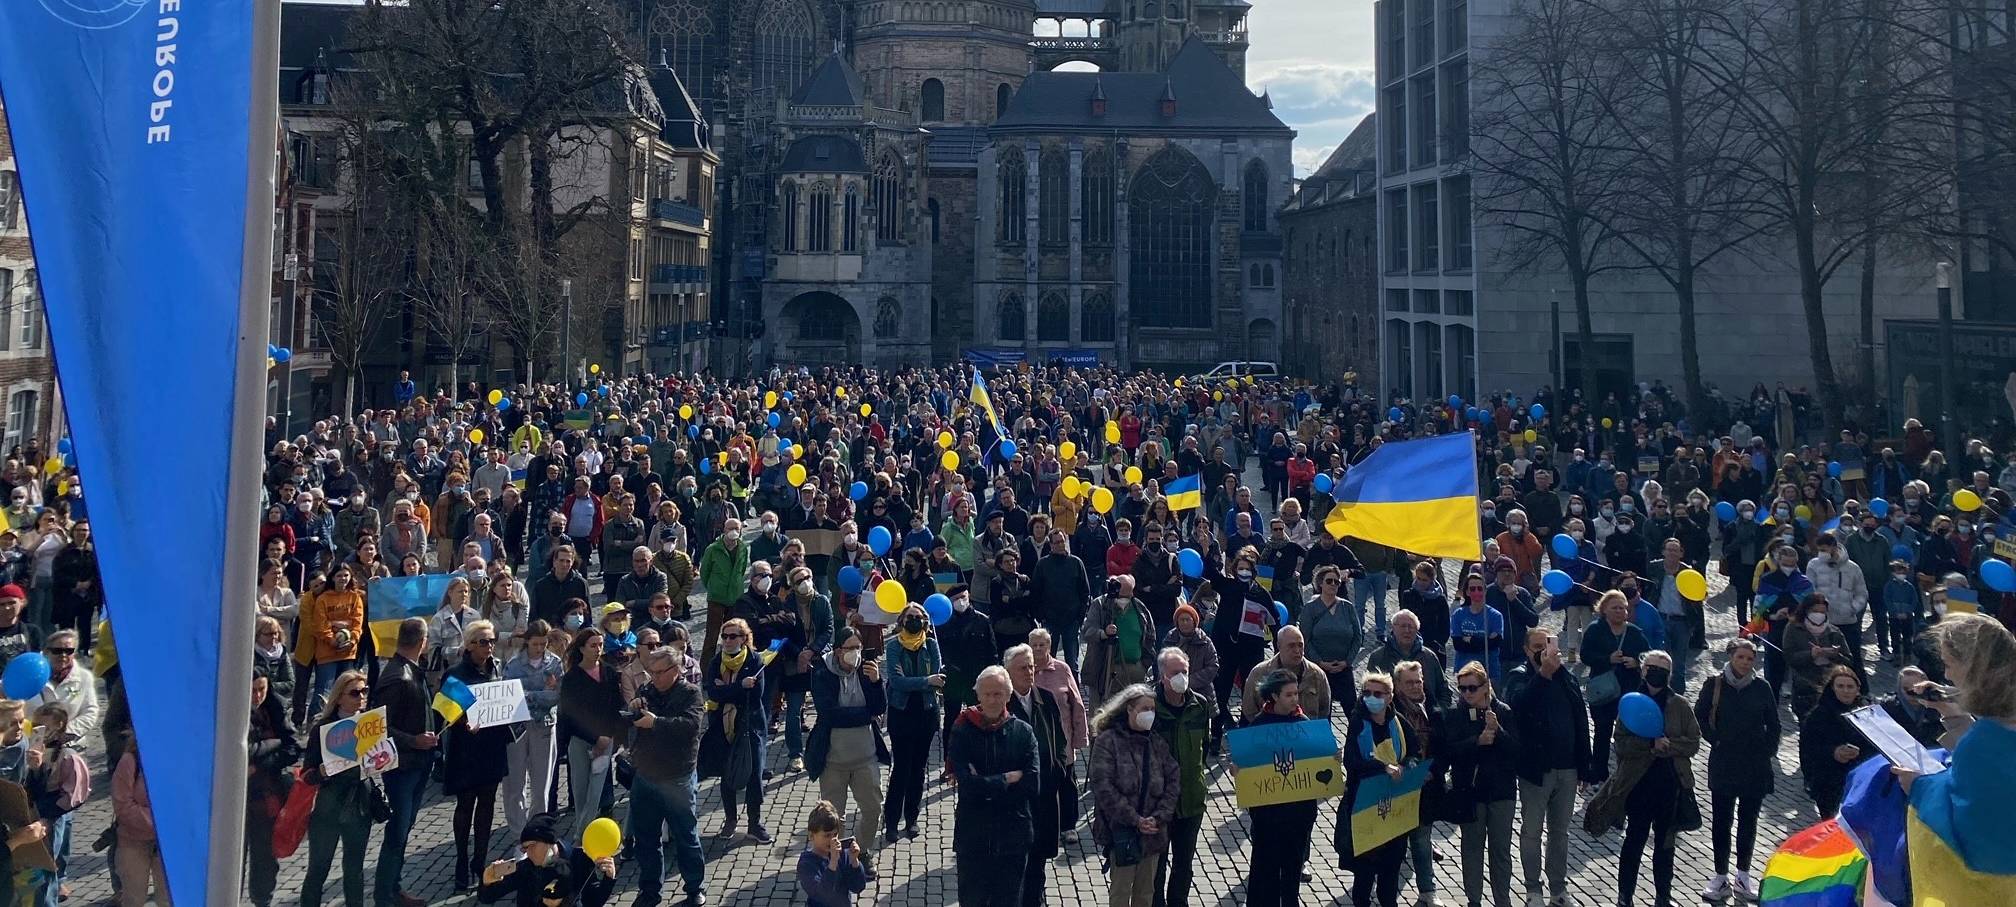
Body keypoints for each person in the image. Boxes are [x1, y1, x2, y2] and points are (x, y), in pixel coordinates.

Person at [1584, 650, 1699, 907]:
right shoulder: (1631, 702)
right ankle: (1625, 896)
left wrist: (1668, 746)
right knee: (1634, 840)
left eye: (1663, 669)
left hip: (1670, 785)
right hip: (1637, 784)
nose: (1657, 673)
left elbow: (1693, 742)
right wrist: (1650, 745)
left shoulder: (1679, 705)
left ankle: (1662, 897)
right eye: (1652, 668)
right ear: (1644, 670)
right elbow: (1622, 744)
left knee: (1666, 844)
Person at [1502, 629, 1587, 907]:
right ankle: (1532, 888)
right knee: (1531, 831)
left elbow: (1580, 721)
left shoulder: (1568, 678)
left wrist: (1585, 766)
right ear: (1527, 650)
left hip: (1567, 768)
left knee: (1560, 833)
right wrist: (1542, 675)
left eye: (1548, 645)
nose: (1544, 651)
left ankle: (1559, 889)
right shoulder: (1518, 676)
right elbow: (1518, 706)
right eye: (1538, 646)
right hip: (1535, 770)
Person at [1695, 638, 1780, 902]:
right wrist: (1716, 739)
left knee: (1748, 821)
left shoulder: (1762, 687)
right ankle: (1720, 875)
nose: (1745, 662)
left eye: (1750, 658)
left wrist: (1767, 750)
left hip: (1754, 764)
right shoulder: (1714, 684)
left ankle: (1743, 874)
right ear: (1731, 657)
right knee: (1722, 820)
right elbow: (1699, 716)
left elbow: (1774, 724)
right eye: (1740, 657)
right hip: (1725, 761)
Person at [948, 665, 1041, 907]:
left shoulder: (1023, 732)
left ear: (1008, 696)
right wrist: (1006, 779)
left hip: (1013, 836)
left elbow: (1032, 784)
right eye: (987, 694)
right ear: (977, 695)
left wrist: (985, 786)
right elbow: (967, 786)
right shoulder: (962, 730)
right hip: (973, 837)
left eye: (998, 694)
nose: (992, 699)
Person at [625, 644, 708, 907]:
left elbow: (690, 727)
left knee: (686, 836)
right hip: (646, 775)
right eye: (652, 672)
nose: (655, 677)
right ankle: (649, 891)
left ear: (676, 669)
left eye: (661, 672)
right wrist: (634, 707)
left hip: (677, 777)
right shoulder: (647, 689)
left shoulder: (690, 694)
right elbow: (636, 720)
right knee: (646, 839)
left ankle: (694, 888)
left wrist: (656, 722)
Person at [807, 626, 889, 875]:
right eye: (850, 648)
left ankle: (861, 851)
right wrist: (865, 714)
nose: (855, 653)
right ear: (838, 650)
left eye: (858, 648)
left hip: (865, 756)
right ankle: (838, 856)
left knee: (873, 808)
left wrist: (876, 683)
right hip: (834, 760)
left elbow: (880, 707)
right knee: (835, 817)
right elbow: (829, 713)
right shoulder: (822, 671)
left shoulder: (867, 670)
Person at [1089, 683, 1180, 907]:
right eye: (1144, 708)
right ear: (1129, 709)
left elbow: (1173, 779)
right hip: (1122, 831)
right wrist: (1135, 819)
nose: (1149, 713)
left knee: (1145, 893)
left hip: (1153, 832)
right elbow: (1103, 787)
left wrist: (1158, 817)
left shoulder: (1156, 741)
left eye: (1152, 709)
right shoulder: (1108, 741)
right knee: (1120, 893)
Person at [1336, 671, 1421, 907]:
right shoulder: (1357, 723)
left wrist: (1407, 766)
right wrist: (1382, 767)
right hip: (1365, 806)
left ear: (1389, 697)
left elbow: (1414, 753)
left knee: (1391, 868)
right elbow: (1351, 762)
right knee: (1364, 871)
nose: (1371, 698)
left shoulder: (1399, 724)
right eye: (1367, 693)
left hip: (1395, 807)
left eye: (1378, 693)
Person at [1241, 669, 1323, 906]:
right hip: (1268, 815)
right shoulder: (1258, 726)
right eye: (1289, 694)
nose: (1295, 699)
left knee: (1292, 870)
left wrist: (1330, 757)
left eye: (1296, 693)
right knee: (1264, 869)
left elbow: (1316, 764)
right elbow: (1249, 767)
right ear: (1274, 696)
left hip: (1298, 815)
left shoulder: (1303, 724)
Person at [373, 617, 439, 907]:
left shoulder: (410, 670)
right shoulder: (396, 677)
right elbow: (378, 725)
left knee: (405, 827)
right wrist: (413, 741)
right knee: (398, 831)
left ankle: (393, 888)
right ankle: (384, 895)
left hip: (417, 762)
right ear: (422, 642)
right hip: (402, 766)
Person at [443, 620, 512, 891]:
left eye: (492, 641)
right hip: (466, 749)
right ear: (470, 645)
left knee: (487, 804)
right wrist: (463, 721)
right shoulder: (456, 674)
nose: (489, 646)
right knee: (465, 806)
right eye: (483, 642)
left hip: (491, 746)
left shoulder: (496, 668)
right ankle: (462, 861)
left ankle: (480, 861)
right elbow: (446, 712)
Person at [1444, 662, 1518, 907]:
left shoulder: (1503, 712)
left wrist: (1498, 732)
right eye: (1462, 688)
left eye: (1472, 688)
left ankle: (1502, 900)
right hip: (1471, 792)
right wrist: (1477, 741)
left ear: (1486, 687)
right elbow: (1450, 752)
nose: (1466, 694)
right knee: (1472, 850)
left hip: (1501, 792)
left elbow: (1517, 753)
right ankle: (1473, 899)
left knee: (1500, 851)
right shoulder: (1456, 714)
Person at [302, 671, 376, 907]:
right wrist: (321, 772)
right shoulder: (323, 728)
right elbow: (307, 775)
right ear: (339, 697)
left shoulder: (370, 724)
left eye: (364, 691)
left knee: (354, 870)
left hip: (359, 805)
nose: (361, 697)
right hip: (328, 808)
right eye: (355, 693)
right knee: (318, 869)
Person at [1004, 643, 1072, 904]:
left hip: (1046, 793)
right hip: (1017, 797)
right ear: (1008, 671)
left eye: (1032, 666)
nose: (1029, 672)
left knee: (1039, 858)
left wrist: (1059, 769)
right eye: (1023, 668)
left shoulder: (1045, 698)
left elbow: (1059, 738)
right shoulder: (1004, 703)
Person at [1150, 646, 1211, 907]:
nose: (1181, 678)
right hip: (1158, 805)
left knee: (1184, 864)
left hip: (1191, 800)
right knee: (1156, 865)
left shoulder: (1200, 705)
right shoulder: (1148, 707)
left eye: (1184, 671)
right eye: (1175, 672)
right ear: (1163, 675)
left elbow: (1204, 749)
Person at [699, 617, 770, 843]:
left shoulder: (755, 660)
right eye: (725, 636)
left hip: (751, 726)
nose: (728, 641)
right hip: (723, 726)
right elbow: (713, 692)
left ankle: (754, 822)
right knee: (727, 774)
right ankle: (730, 820)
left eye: (733, 636)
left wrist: (727, 689)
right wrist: (740, 686)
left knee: (754, 774)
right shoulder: (715, 662)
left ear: (744, 638)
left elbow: (756, 694)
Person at [882, 602, 943, 842]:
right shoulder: (894, 646)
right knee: (901, 769)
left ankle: (912, 818)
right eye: (910, 617)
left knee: (919, 769)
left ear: (925, 622)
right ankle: (891, 821)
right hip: (901, 713)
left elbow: (938, 675)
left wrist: (926, 681)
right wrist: (927, 681)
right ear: (902, 621)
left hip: (927, 713)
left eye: (918, 617)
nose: (914, 620)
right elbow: (897, 681)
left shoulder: (931, 645)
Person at [557, 628, 624, 843]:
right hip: (580, 741)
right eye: (593, 645)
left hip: (606, 740)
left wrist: (610, 737)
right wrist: (594, 738)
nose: (598, 650)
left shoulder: (610, 673)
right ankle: (583, 833)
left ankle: (581, 837)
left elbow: (617, 707)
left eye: (600, 645)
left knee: (595, 792)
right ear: (582, 648)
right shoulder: (572, 678)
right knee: (580, 790)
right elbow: (569, 716)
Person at [1580, 591, 1650, 782]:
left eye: (1622, 608)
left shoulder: (1635, 633)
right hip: (1602, 690)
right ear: (1604, 609)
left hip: (1628, 691)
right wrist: (1607, 659)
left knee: (1627, 734)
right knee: (1602, 731)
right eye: (1615, 608)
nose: (1619, 611)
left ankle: (1626, 773)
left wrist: (1636, 662)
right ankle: (1599, 773)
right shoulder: (1595, 630)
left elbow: (1648, 656)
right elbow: (1585, 655)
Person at [475, 813, 618, 907]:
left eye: (530, 846)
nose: (527, 853)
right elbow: (487, 897)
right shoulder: (526, 866)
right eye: (524, 849)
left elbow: (592, 902)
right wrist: (487, 880)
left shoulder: (578, 859)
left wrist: (609, 878)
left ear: (548, 842)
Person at [1027, 628, 1088, 845]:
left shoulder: (1062, 670)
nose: (1037, 649)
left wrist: (1080, 737)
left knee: (1067, 783)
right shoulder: (1024, 670)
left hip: (1062, 737)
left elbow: (1077, 704)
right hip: (1035, 740)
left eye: (1042, 645)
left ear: (1049, 647)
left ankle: (1068, 826)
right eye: (1034, 645)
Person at [501, 621, 562, 836]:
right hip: (517, 728)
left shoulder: (554, 663)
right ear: (527, 642)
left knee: (541, 785)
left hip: (544, 727)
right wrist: (540, 694)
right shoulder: (513, 664)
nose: (539, 648)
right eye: (535, 644)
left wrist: (529, 695)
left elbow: (555, 697)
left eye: (543, 644)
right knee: (514, 784)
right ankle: (519, 833)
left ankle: (537, 831)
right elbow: (510, 696)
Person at [246, 669, 299, 907]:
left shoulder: (274, 707)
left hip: (266, 796)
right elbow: (244, 750)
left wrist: (263, 761)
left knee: (265, 858)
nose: (258, 695)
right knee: (230, 860)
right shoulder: (231, 710)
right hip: (236, 798)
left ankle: (261, 900)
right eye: (253, 690)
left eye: (261, 689)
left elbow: (291, 747)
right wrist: (273, 744)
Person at [1797, 665, 1874, 817]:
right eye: (1840, 686)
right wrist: (1834, 752)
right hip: (1829, 782)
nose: (1846, 690)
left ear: (1857, 689)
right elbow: (1808, 749)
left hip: (1861, 781)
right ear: (1832, 688)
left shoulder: (1868, 713)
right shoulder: (1818, 715)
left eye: (1850, 686)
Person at [1083, 575, 1157, 705]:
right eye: (1119, 593)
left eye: (1126, 595)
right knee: (1102, 711)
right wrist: (1103, 633)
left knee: (1133, 709)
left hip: (1135, 670)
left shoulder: (1139, 608)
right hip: (1105, 669)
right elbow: (1088, 632)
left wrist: (1144, 664)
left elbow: (1150, 636)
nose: (1122, 598)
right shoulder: (1100, 605)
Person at [111, 746, 165, 907]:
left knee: (169, 899)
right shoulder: (130, 761)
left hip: (169, 843)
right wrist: (159, 822)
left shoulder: (176, 759)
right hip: (132, 842)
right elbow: (122, 806)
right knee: (133, 899)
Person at [1240, 625, 1331, 720]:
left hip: (1306, 731)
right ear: (1279, 646)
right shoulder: (1259, 673)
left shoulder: (1317, 674)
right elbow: (1249, 710)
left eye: (1300, 645)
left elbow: (1324, 710)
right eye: (1291, 646)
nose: (1297, 651)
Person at [1784, 594, 1851, 718]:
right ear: (1806, 610)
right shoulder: (1794, 629)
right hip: (1805, 688)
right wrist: (1810, 655)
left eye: (1822, 612)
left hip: (1830, 688)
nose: (1819, 615)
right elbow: (1789, 657)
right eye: (1815, 611)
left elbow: (1848, 661)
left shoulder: (1834, 632)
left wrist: (1835, 655)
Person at [1366, 610, 1450, 709]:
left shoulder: (1429, 656)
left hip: (1428, 717)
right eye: (1403, 626)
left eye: (1411, 627)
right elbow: (1368, 692)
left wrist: (1440, 711)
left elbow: (1443, 689)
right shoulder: (1378, 658)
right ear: (1393, 628)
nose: (1407, 630)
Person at [1300, 565, 1362, 697]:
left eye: (1337, 582)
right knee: (1322, 710)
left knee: (1351, 708)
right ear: (1320, 583)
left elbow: (1358, 637)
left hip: (1343, 669)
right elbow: (1305, 639)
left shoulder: (1347, 607)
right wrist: (1320, 662)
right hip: (1318, 670)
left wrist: (1347, 662)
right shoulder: (1310, 608)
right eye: (1329, 581)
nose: (1333, 584)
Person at [797, 800, 871, 907]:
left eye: (835, 834)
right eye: (827, 836)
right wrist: (833, 863)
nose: (833, 840)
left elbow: (857, 886)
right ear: (811, 836)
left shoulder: (842, 854)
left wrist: (855, 861)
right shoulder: (806, 864)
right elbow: (823, 895)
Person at [1449, 571, 1506, 681]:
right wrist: (1483, 641)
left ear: (1485, 591)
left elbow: (1494, 644)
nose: (1476, 592)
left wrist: (1469, 639)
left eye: (1480, 589)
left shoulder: (1495, 616)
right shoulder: (1458, 615)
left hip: (1489, 673)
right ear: (1467, 592)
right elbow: (1458, 645)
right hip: (1464, 672)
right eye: (1472, 589)